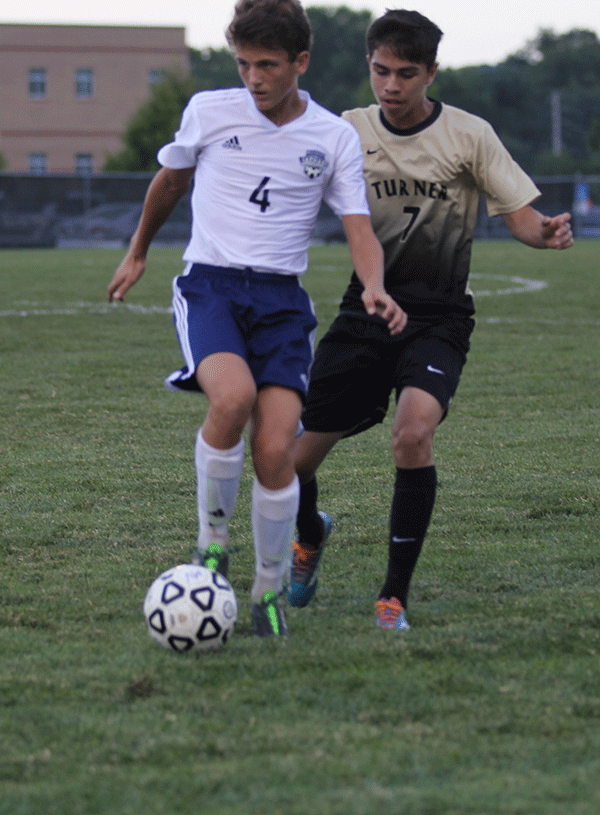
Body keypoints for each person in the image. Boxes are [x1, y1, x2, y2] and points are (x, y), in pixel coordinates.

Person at [107, 0, 405, 638]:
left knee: (277, 450)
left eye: (267, 65)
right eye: (243, 64)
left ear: (300, 61)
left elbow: (358, 227)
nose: (254, 79)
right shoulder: (210, 111)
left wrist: (375, 283)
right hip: (210, 288)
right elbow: (168, 183)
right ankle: (212, 542)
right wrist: (137, 252)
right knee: (232, 398)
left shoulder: (332, 137)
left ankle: (268, 590)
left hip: (280, 305)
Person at [287, 8, 574, 630]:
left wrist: (543, 234)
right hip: (364, 311)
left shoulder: (469, 135)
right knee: (292, 463)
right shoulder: (347, 129)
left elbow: (518, 212)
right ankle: (309, 534)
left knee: (414, 433)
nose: (391, 86)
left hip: (440, 316)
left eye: (406, 74)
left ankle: (394, 596)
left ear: (431, 72)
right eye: (381, 71)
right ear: (370, 65)